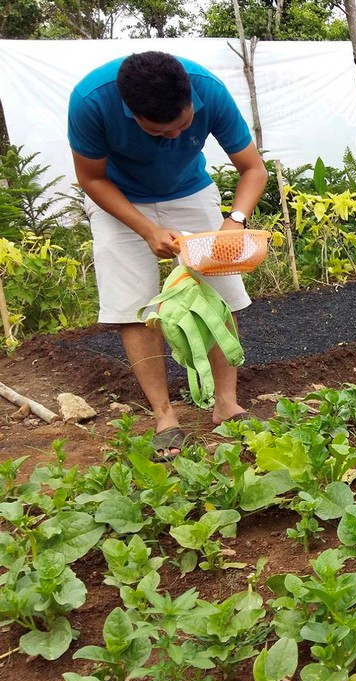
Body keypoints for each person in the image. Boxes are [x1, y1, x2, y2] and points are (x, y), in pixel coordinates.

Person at [68, 51, 269, 461]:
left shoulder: (207, 88)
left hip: (189, 192)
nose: (175, 137)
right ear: (131, 112)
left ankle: (227, 404)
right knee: (135, 306)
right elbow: (91, 178)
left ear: (190, 98)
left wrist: (235, 221)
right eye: (161, 132)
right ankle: (165, 417)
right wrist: (146, 229)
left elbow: (253, 169)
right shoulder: (91, 101)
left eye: (184, 125)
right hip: (119, 201)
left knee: (222, 292)